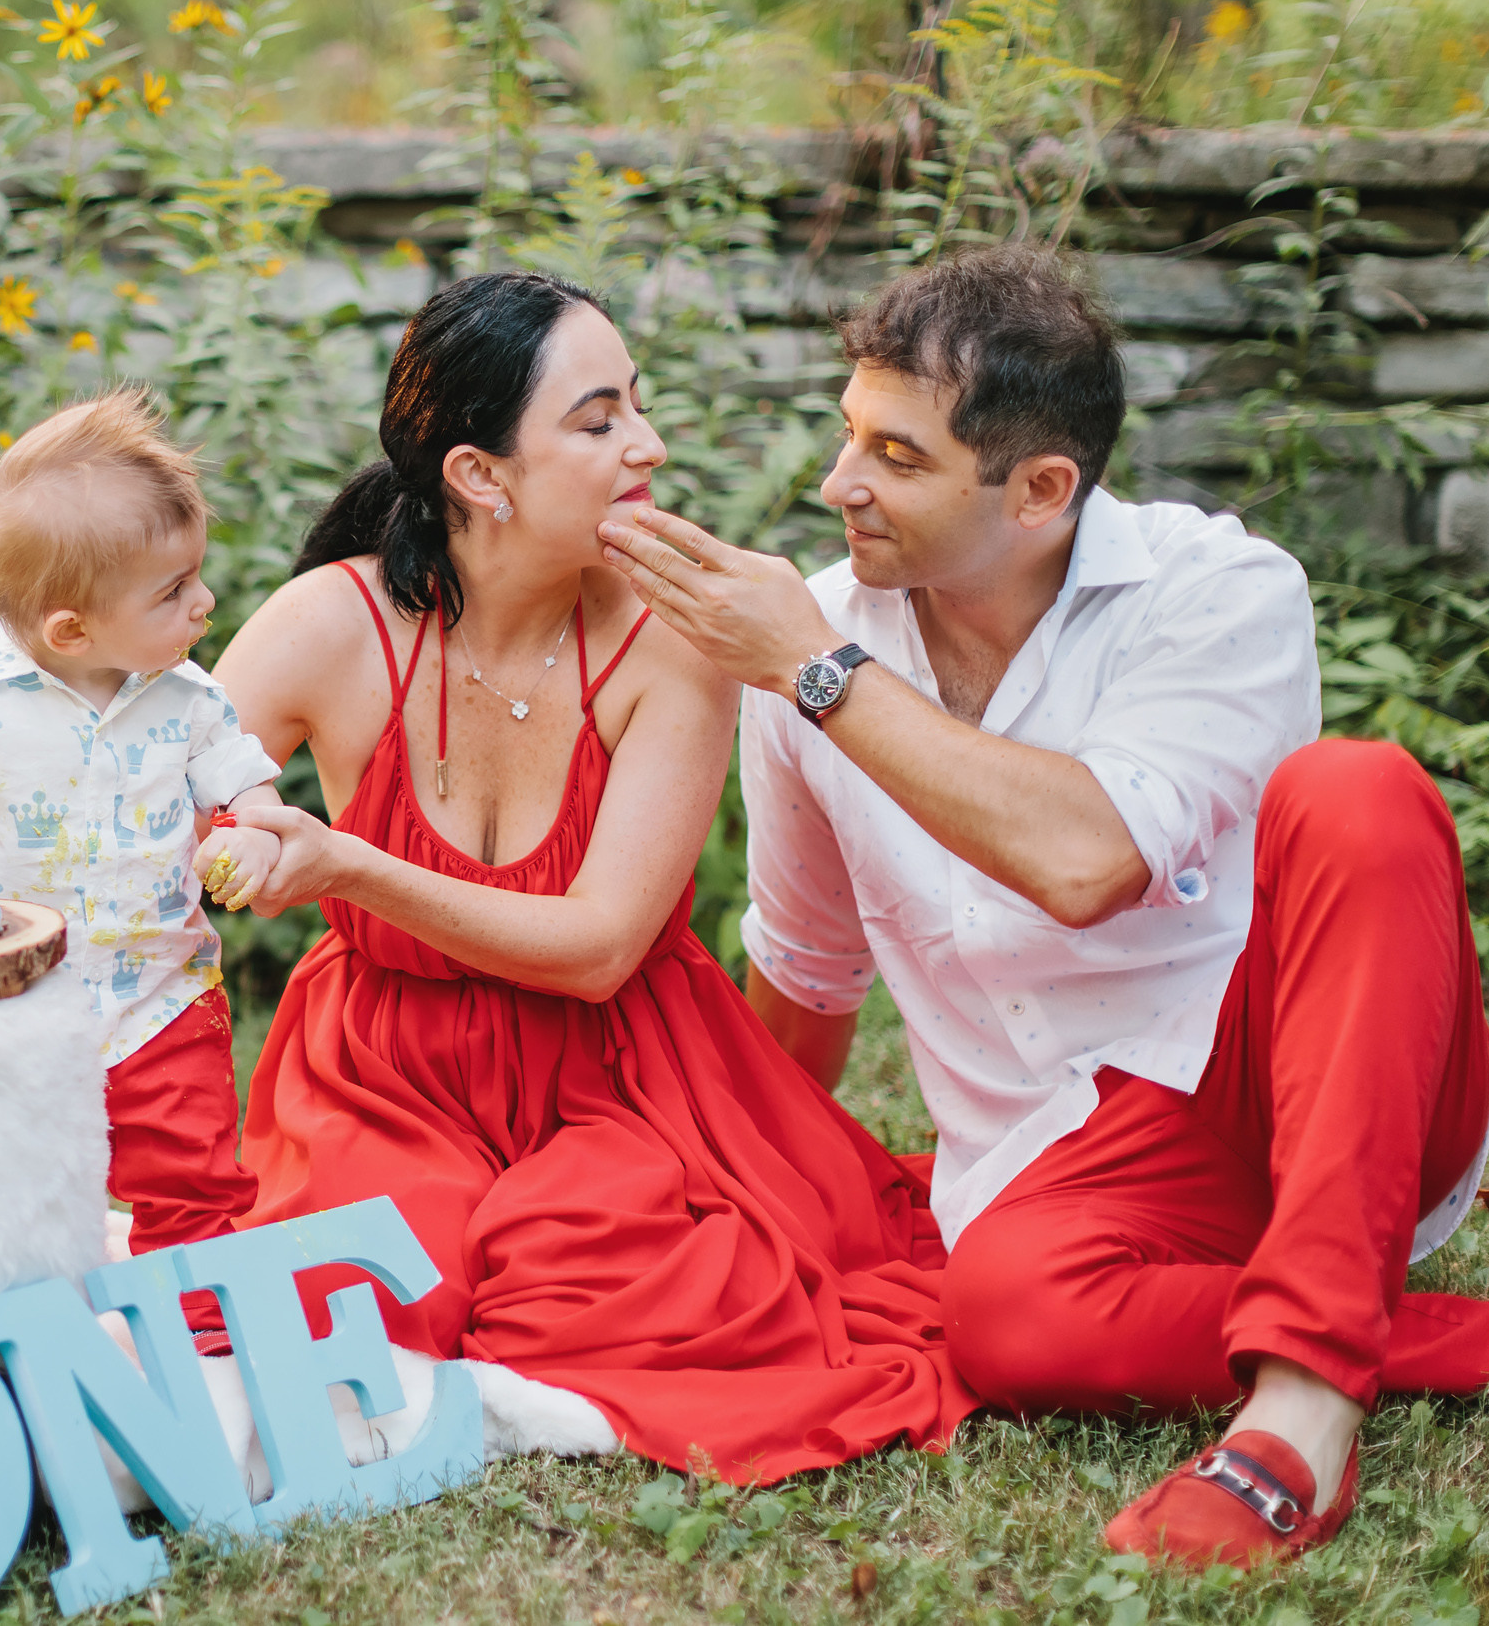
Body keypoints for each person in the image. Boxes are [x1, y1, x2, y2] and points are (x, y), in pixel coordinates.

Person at [593, 243, 1489, 1566]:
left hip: (1309, 1090)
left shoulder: (1216, 589)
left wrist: (815, 670)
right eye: (849, 433)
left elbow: (1087, 861)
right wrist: (758, 1209)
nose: (839, 483)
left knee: (1359, 791)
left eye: (896, 457)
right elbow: (807, 972)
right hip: (1067, 1172)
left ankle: (1301, 1410)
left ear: (1040, 491)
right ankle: (1407, 1325)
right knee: (1005, 1318)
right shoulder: (808, 649)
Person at [205, 270, 979, 1482]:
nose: (648, 445)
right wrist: (233, 814)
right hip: (382, 1068)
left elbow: (601, 946)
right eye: (599, 419)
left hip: (620, 1075)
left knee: (603, 1304)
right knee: (359, 1292)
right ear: (480, 475)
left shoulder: (671, 641)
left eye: (638, 406)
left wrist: (347, 866)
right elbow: (151, 794)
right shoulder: (329, 622)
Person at [0, 389, 282, 1328]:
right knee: (8, 1186)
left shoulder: (190, 698)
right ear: (72, 630)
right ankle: (21, 1328)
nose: (204, 601)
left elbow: (245, 789)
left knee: (194, 1173)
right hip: (19, 1004)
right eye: (174, 591)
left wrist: (249, 830)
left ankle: (201, 1332)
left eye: (197, 575)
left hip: (162, 995)